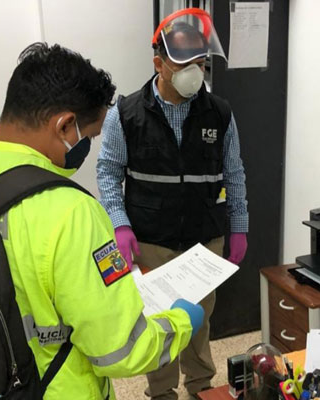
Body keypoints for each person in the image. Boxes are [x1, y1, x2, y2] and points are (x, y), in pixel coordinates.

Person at [0, 42, 203, 400]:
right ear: (65, 125)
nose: (87, 148)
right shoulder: (70, 211)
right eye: (89, 136)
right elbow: (121, 350)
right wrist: (181, 322)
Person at [96, 8, 249, 399]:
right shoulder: (126, 114)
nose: (193, 73)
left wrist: (239, 227)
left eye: (199, 63)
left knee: (199, 322)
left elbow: (234, 174)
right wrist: (119, 224)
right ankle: (161, 392)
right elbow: (108, 173)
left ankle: (201, 388)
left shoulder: (220, 112)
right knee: (158, 323)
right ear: (159, 65)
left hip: (204, 240)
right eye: (183, 64)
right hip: (152, 240)